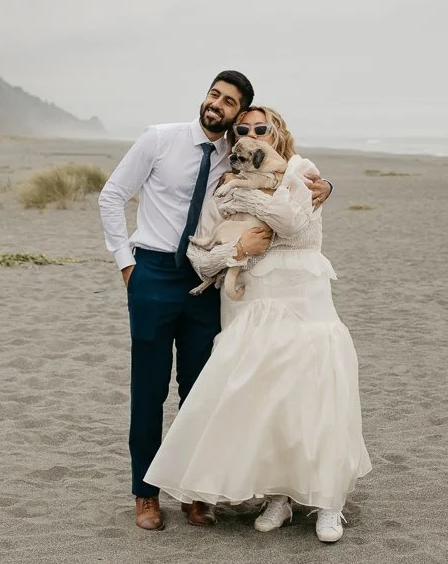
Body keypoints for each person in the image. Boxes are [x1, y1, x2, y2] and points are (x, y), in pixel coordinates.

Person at [98, 73, 334, 531]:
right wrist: (126, 264)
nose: (217, 105)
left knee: (201, 390)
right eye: (214, 95)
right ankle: (145, 494)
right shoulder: (159, 140)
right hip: (153, 271)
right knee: (148, 389)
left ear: (238, 113)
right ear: (205, 98)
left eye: (229, 103)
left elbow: (288, 173)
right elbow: (111, 196)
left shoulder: (239, 153)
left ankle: (193, 493)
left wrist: (327, 186)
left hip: (207, 279)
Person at [143, 105, 370, 542]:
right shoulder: (223, 186)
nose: (251, 135)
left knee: (314, 390)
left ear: (277, 131)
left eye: (260, 128)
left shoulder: (301, 171)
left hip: (302, 296)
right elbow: (198, 253)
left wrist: (244, 198)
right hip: (251, 300)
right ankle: (278, 496)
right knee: (266, 396)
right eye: (242, 130)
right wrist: (234, 251)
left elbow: (293, 224)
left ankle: (328, 503)